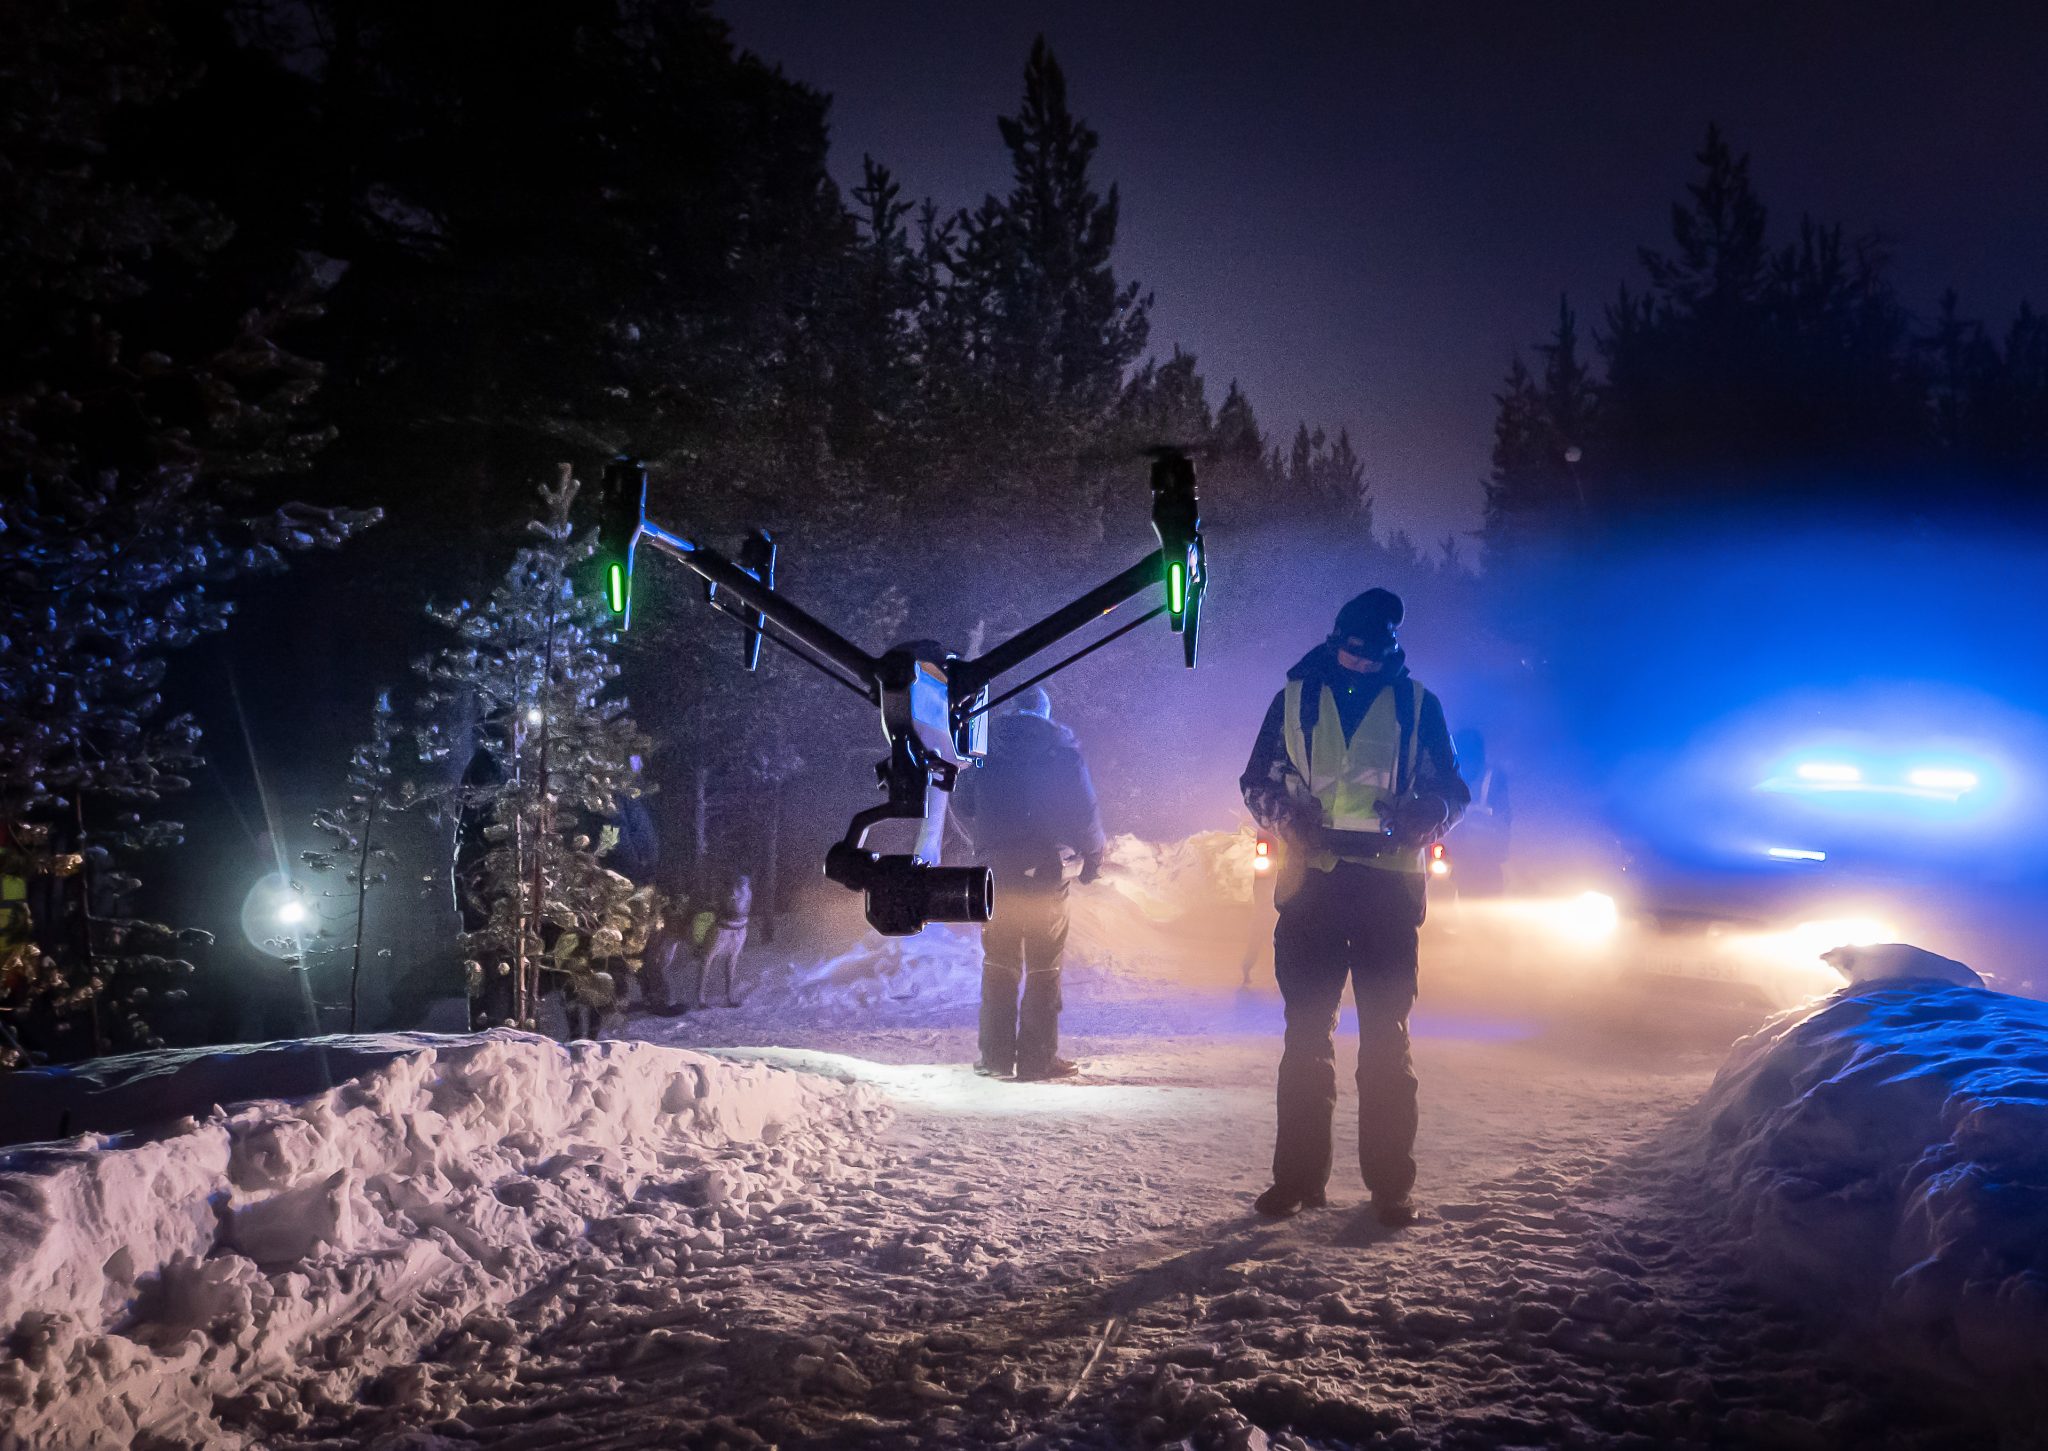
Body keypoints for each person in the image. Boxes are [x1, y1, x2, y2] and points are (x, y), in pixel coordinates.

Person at [1240, 588, 1468, 1226]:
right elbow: (1256, 779)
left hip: (1387, 896)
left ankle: (1391, 1187)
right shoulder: (1295, 698)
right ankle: (1297, 1182)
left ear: (1392, 647)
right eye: (1352, 651)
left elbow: (1452, 788)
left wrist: (1425, 815)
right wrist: (1289, 820)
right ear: (1338, 640)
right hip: (1311, 886)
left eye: (1373, 655)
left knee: (1385, 1043)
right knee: (1306, 1037)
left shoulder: (1420, 705)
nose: (1361, 663)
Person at [951, 685, 1105, 1082]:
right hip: (1044, 871)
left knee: (998, 961)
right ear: (1046, 712)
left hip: (994, 873)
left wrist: (990, 836)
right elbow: (1084, 810)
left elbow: (962, 801)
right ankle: (1037, 1059)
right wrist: (1093, 860)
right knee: (1043, 965)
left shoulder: (984, 751)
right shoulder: (1062, 752)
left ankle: (995, 1057)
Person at [1449, 728, 1510, 897]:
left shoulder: (1493, 777)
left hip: (1485, 858)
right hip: (1466, 858)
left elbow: (1504, 819)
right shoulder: (1454, 776)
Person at [691, 872, 752, 1009]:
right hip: (723, 926)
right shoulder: (732, 890)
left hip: (738, 926)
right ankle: (700, 998)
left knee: (731, 960)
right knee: (707, 958)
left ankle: (729, 996)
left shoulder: (744, 890)